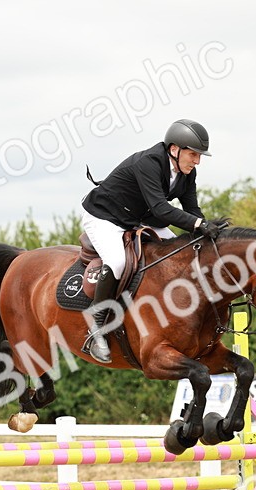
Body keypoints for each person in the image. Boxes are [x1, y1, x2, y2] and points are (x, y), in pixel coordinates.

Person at [78, 118, 222, 363]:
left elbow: (192, 209)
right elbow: (161, 208)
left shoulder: (188, 172)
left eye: (199, 156)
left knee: (186, 251)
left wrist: (205, 230)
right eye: (193, 155)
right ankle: (97, 326)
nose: (197, 161)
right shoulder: (149, 163)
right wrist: (197, 225)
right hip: (105, 217)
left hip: (140, 217)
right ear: (174, 150)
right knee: (117, 262)